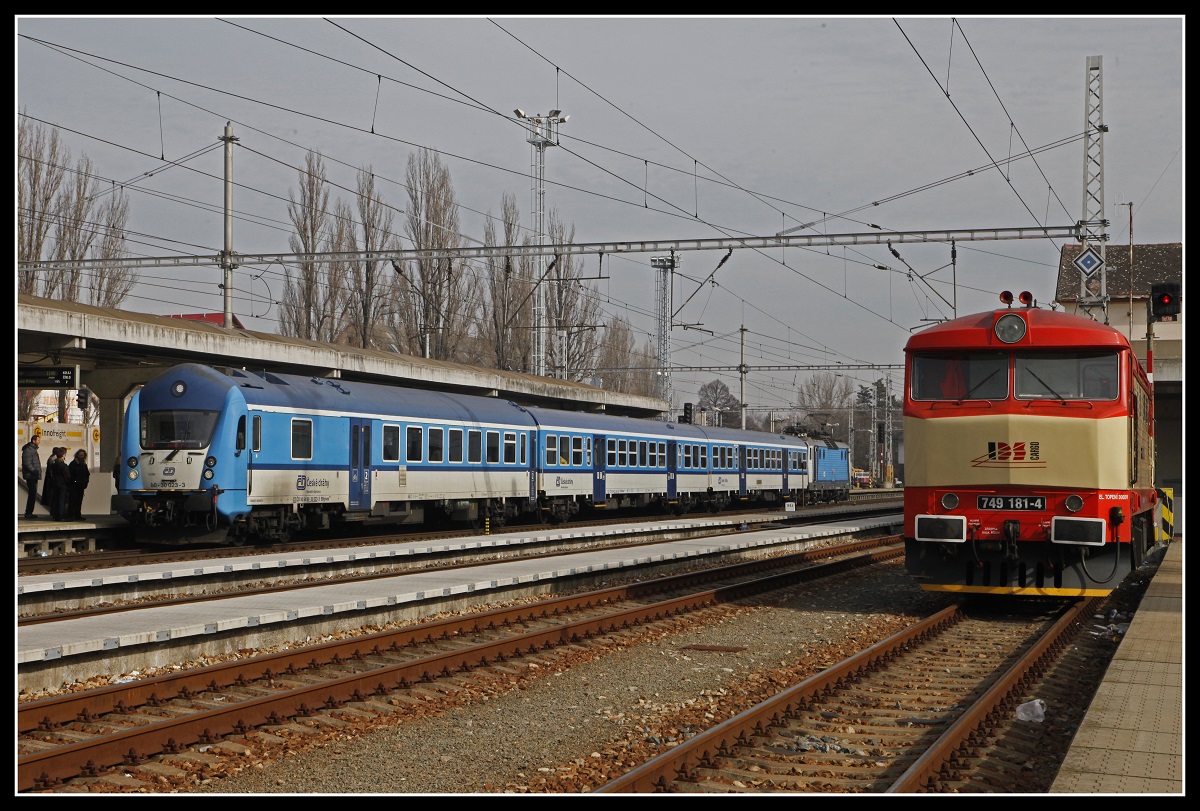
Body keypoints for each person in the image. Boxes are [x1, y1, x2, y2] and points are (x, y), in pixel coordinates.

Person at [21, 433, 42, 519]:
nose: (39, 442)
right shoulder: (29, 450)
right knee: (32, 493)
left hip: (33, 475)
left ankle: (29, 512)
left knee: (33, 494)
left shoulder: (32, 449)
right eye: (38, 440)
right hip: (31, 475)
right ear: (33, 441)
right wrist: (34, 471)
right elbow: (27, 463)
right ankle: (28, 512)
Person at [48, 447, 71, 521]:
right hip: (63, 485)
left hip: (55, 484)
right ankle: (60, 516)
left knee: (56, 500)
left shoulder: (54, 465)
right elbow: (67, 476)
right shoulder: (64, 466)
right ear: (63, 455)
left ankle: (55, 515)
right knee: (62, 501)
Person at [68, 448, 91, 521]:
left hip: (81, 485)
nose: (81, 456)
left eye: (82, 455)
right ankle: (71, 515)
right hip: (74, 486)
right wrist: (75, 481)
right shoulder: (73, 464)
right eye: (80, 455)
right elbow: (70, 475)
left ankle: (78, 515)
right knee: (72, 501)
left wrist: (85, 482)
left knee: (79, 501)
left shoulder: (84, 464)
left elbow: (87, 474)